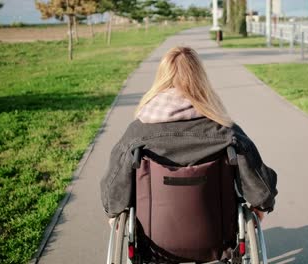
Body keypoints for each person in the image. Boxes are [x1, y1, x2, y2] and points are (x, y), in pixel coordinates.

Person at [100, 46, 277, 224]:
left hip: (152, 235)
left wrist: (113, 212)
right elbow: (262, 188)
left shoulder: (137, 133)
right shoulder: (227, 132)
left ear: (161, 78)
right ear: (200, 79)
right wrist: (260, 207)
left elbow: (113, 190)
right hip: (219, 235)